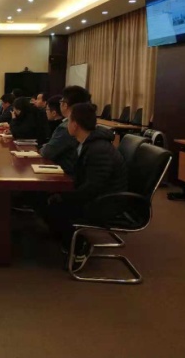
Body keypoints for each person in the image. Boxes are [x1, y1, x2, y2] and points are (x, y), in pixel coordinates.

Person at [44, 103, 127, 270]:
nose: (67, 124)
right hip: (99, 196)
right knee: (47, 197)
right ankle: (66, 238)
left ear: (75, 125)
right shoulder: (88, 142)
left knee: (54, 203)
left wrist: (65, 196)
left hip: (106, 203)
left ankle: (80, 246)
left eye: (69, 121)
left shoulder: (99, 149)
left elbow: (93, 188)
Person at [39, 85, 91, 176]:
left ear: (65, 105)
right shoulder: (87, 122)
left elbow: (48, 152)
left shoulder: (66, 127)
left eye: (61, 101)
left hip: (67, 175)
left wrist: (45, 146)